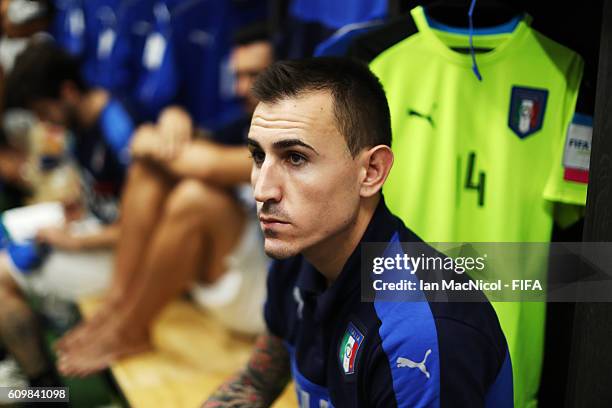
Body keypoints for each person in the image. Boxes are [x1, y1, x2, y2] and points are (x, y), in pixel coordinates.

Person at [203, 58, 514, 407]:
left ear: (371, 172)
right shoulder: (299, 253)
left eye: (295, 158)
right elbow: (257, 381)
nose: (262, 190)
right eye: (259, 156)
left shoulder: (418, 333)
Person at [54, 25, 275, 377]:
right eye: (237, 76)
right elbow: (184, 151)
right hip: (224, 274)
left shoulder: (289, 137)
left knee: (195, 197)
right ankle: (118, 306)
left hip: (260, 298)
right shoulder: (242, 121)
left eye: (255, 76)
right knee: (148, 173)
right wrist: (172, 122)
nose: (242, 88)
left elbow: (209, 164)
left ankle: (131, 329)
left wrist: (150, 136)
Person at [0, 39, 134, 387]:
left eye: (45, 111)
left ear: (69, 91)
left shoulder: (119, 128)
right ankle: (28, 368)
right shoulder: (85, 126)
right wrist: (76, 210)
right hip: (98, 234)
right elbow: (108, 199)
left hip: (130, 262)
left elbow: (146, 230)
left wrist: (69, 242)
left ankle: (44, 392)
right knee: (14, 227)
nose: (45, 123)